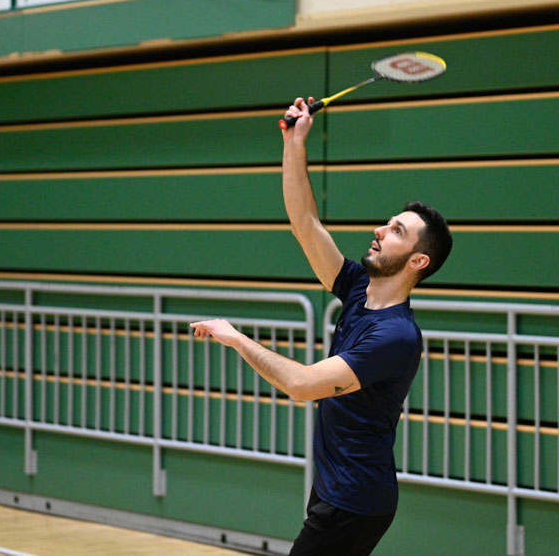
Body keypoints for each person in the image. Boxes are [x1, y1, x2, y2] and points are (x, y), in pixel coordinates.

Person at [191, 96, 453, 556]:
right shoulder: (358, 288)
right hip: (337, 488)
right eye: (388, 223)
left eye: (396, 230)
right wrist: (295, 143)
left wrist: (235, 338)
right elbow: (306, 225)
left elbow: (302, 385)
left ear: (418, 261)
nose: (380, 230)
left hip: (355, 501)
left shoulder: (395, 335)